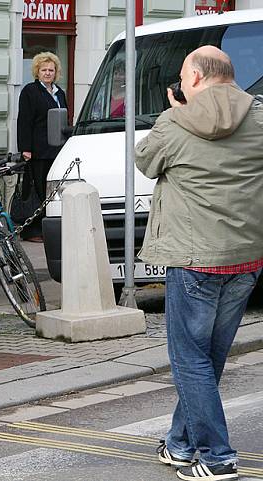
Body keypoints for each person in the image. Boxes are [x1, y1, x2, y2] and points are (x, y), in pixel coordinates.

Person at [137, 46, 263, 481]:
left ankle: (217, 456)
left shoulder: (174, 121)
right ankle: (180, 442)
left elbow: (145, 160)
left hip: (193, 259)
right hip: (246, 258)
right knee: (208, 358)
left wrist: (173, 114)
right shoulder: (260, 116)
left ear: (193, 78)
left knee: (190, 360)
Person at [16, 51, 67, 242]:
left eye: (51, 70)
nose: (47, 73)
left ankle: (49, 227)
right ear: (37, 71)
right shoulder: (30, 91)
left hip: (57, 150)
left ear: (56, 72)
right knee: (36, 191)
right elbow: (24, 121)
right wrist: (25, 149)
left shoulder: (59, 93)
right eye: (44, 70)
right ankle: (32, 230)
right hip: (37, 151)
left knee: (51, 191)